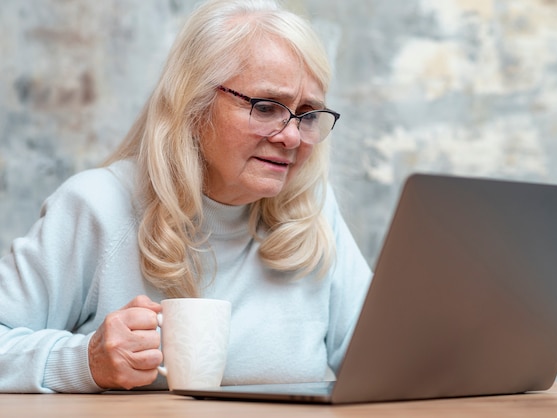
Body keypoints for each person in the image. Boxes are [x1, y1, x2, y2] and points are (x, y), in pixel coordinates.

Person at [0, 0, 372, 393]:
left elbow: (385, 360)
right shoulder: (97, 205)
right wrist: (84, 361)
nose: (292, 136)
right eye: (265, 108)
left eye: (308, 114)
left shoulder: (313, 209)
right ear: (192, 106)